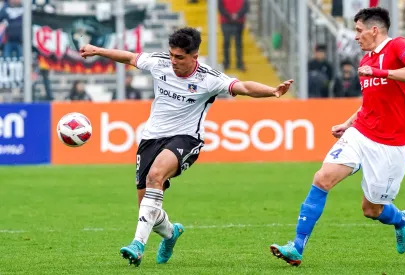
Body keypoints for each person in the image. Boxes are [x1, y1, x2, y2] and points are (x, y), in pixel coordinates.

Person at [80, 27, 293, 267]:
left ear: (195, 56)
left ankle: (137, 245)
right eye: (171, 54)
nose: (173, 61)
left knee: (155, 176)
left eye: (179, 57)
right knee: (146, 208)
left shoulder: (208, 78)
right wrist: (98, 50)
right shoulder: (159, 63)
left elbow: (243, 87)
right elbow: (129, 57)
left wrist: (272, 91)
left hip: (186, 138)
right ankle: (171, 234)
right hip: (151, 139)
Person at [269, 7, 405, 266]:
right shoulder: (365, 61)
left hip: (390, 144)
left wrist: (381, 73)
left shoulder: (398, 46)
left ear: (374, 30)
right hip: (360, 132)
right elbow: (369, 103)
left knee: (371, 209)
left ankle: (400, 219)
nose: (356, 36)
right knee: (322, 178)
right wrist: (347, 123)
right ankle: (296, 247)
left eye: (358, 30)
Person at [218, 0, 249, 71]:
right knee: (226, 42)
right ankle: (226, 63)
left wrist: (237, 15)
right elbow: (220, 7)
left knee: (238, 43)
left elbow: (246, 6)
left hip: (238, 22)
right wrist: (230, 16)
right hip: (226, 21)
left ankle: (239, 63)